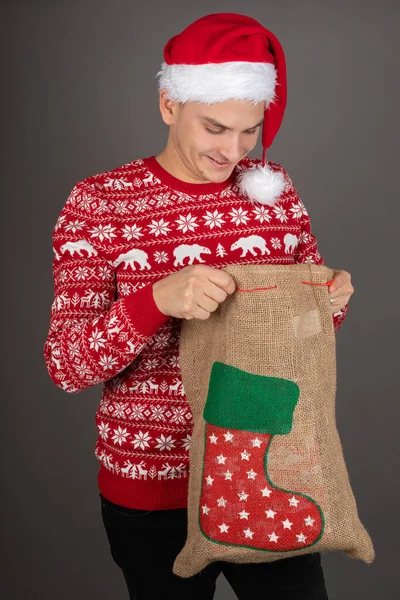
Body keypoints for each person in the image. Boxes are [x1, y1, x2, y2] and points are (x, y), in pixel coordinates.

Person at [44, 12, 354, 600]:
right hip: (155, 487)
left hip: (268, 471)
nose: (233, 151)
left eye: (248, 131)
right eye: (215, 128)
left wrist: (329, 300)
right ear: (168, 105)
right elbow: (67, 365)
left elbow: (302, 339)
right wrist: (156, 299)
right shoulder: (99, 203)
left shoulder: (273, 189)